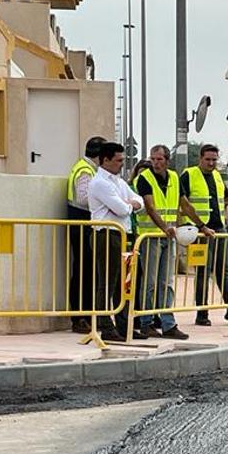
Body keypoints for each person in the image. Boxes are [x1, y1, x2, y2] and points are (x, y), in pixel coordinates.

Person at [134, 145, 213, 340]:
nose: (155, 163)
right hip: (150, 237)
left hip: (169, 237)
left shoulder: (175, 178)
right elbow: (150, 208)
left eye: (159, 159)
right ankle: (147, 323)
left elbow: (184, 205)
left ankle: (168, 324)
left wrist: (201, 226)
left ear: (167, 160)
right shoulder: (144, 178)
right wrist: (164, 227)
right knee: (149, 283)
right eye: (153, 159)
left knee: (167, 282)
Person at [86, 142, 146, 342]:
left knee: (124, 283)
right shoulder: (100, 183)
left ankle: (123, 325)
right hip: (106, 235)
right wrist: (130, 205)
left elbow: (139, 201)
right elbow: (122, 209)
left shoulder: (118, 182)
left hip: (121, 235)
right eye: (119, 160)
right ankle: (105, 326)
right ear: (105, 160)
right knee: (108, 282)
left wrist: (130, 204)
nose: (122, 163)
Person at [181, 144, 228, 326]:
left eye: (214, 160)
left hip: (218, 229)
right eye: (207, 159)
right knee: (202, 273)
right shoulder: (189, 174)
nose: (211, 163)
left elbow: (225, 195)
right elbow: (184, 203)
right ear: (200, 159)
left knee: (225, 270)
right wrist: (201, 226)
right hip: (199, 232)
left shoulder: (216, 175)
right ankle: (202, 313)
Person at [66, 136, 106, 333]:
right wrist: (105, 201)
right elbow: (83, 198)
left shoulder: (88, 168)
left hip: (86, 225)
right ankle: (80, 316)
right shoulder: (84, 170)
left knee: (88, 271)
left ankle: (87, 314)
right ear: (99, 155)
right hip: (82, 224)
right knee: (83, 271)